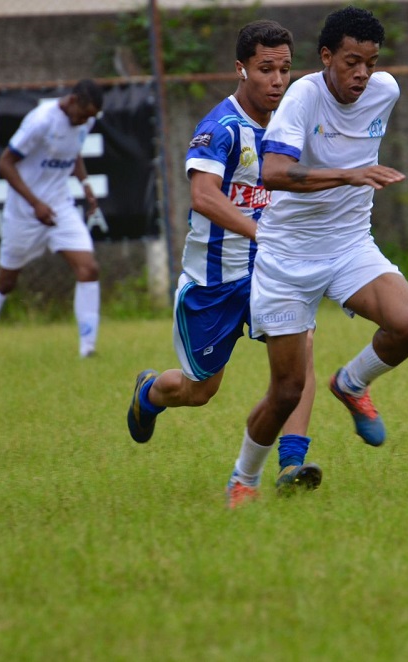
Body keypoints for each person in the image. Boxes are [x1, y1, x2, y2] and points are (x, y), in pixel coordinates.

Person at [225, 5, 408, 508]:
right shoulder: (302, 97)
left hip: (349, 244)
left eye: (370, 63)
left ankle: (351, 383)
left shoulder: (386, 91)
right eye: (351, 62)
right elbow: (272, 172)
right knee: (287, 391)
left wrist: (353, 177)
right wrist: (348, 175)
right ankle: (244, 479)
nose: (362, 74)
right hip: (287, 258)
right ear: (325, 56)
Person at [125, 20, 322, 495]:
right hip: (213, 282)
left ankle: (291, 465)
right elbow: (204, 196)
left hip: (269, 272)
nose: (277, 80)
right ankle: (149, 393)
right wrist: (261, 233)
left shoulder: (289, 126)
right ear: (241, 68)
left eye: (285, 70)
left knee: (300, 354)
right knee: (199, 390)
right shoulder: (221, 127)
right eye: (266, 69)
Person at [0, 79, 104, 360]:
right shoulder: (41, 121)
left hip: (60, 206)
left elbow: (73, 151)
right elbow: (5, 163)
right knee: (6, 281)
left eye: (89, 118)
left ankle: (88, 350)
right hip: (25, 213)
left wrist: (86, 184)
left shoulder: (84, 121)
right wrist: (35, 203)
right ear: (73, 100)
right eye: (83, 115)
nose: (84, 121)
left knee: (88, 268)